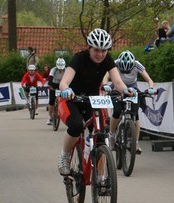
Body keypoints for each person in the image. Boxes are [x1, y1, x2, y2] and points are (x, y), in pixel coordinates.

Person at [57, 29, 135, 176]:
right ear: (89, 48)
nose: (100, 54)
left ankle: (101, 175)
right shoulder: (79, 58)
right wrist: (66, 89)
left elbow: (117, 81)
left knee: (101, 132)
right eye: (96, 50)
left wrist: (125, 90)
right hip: (71, 99)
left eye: (104, 50)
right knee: (76, 125)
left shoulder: (107, 59)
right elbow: (64, 82)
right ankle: (65, 156)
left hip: (92, 99)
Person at [107, 51, 155, 155]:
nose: (126, 72)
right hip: (118, 89)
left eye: (128, 71)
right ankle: (111, 134)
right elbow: (106, 76)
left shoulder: (137, 64)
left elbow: (149, 79)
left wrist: (151, 88)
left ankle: (136, 142)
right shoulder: (114, 63)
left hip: (133, 90)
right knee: (117, 111)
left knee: (135, 115)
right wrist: (106, 85)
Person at [46, 58, 67, 125]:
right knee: (51, 101)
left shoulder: (66, 70)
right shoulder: (53, 69)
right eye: (59, 68)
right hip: (54, 84)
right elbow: (50, 79)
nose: (60, 69)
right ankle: (49, 117)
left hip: (62, 84)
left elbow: (69, 79)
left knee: (64, 100)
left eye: (61, 68)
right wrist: (50, 85)